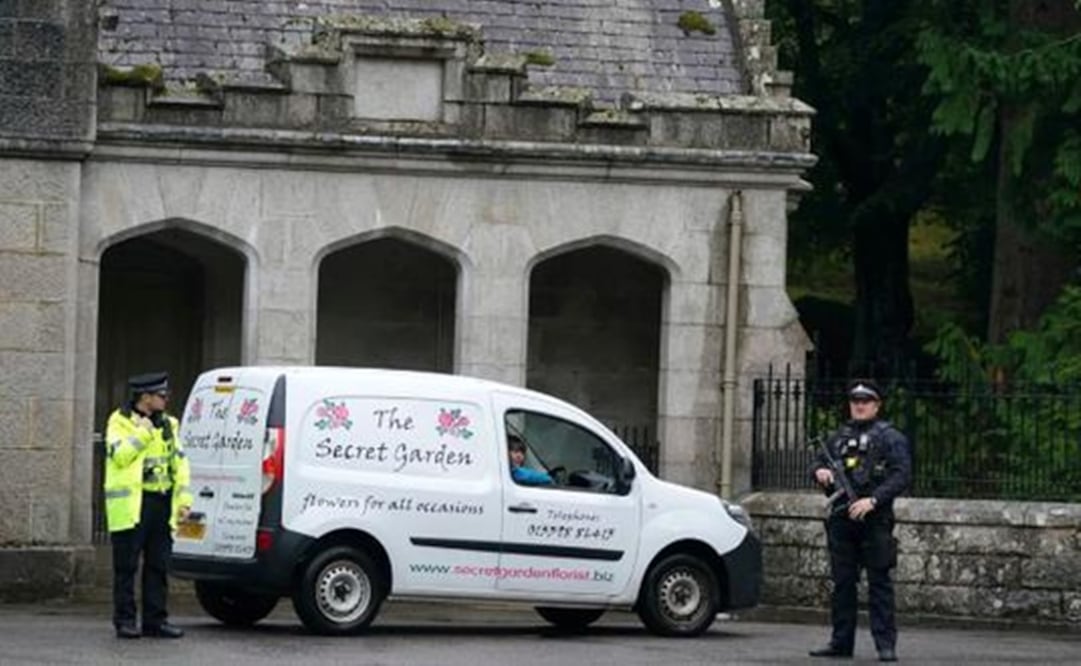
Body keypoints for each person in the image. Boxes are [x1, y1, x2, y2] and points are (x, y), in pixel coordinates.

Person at [809, 379, 911, 663]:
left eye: (865, 401)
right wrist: (820, 472)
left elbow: (901, 475)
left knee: (879, 583)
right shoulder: (838, 436)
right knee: (842, 583)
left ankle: (885, 645)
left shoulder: (891, 437)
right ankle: (841, 642)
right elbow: (817, 462)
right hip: (842, 518)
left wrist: (873, 500)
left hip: (874, 519)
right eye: (855, 401)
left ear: (877, 405)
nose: (859, 405)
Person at [103, 372, 192, 639]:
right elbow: (120, 456)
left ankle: (155, 621)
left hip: (161, 502)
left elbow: (181, 463)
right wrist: (143, 433)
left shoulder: (169, 424)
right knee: (126, 567)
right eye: (161, 396)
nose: (166, 400)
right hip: (132, 505)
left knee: (158, 566)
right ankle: (125, 621)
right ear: (145, 398)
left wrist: (185, 501)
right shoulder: (119, 421)